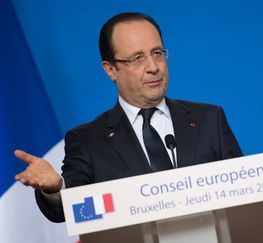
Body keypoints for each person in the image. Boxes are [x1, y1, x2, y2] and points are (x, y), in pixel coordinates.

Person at [14, 12, 242, 223]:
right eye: (137, 58)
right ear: (110, 69)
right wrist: (56, 188)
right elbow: (73, 209)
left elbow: (244, 192)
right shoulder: (87, 141)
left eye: (157, 53)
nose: (153, 67)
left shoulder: (209, 119)